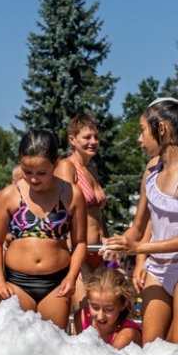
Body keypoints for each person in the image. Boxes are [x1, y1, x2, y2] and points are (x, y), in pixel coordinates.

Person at [103, 99, 178, 348]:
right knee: (150, 350)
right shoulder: (150, 172)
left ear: (160, 128)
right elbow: (138, 228)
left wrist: (139, 248)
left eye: (142, 130)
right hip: (157, 270)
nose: (140, 140)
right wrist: (121, 242)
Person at [0, 130, 87, 331]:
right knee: (15, 346)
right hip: (16, 283)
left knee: (52, 347)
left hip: (56, 284)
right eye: (27, 172)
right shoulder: (9, 195)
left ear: (56, 164)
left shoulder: (71, 194)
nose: (33, 179)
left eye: (41, 173)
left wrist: (71, 277)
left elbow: (80, 243)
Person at [55, 114, 107, 295]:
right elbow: (60, 209)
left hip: (98, 252)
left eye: (96, 137)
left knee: (102, 314)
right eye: (87, 137)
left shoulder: (92, 169)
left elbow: (98, 214)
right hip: (77, 252)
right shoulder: (66, 167)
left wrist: (107, 240)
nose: (93, 141)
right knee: (82, 314)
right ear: (72, 140)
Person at [78, 267, 141, 349]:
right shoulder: (81, 318)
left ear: (123, 304)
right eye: (95, 307)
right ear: (88, 301)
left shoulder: (125, 335)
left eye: (109, 309)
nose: (100, 316)